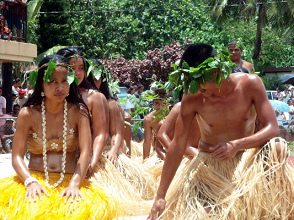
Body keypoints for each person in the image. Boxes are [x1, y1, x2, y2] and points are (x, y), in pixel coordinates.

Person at [148, 43, 294, 219]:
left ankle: (269, 205)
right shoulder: (192, 98)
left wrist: (236, 145)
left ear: (215, 70)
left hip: (247, 161)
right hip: (211, 165)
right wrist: (160, 196)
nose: (196, 89)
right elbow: (178, 145)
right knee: (205, 214)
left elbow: (272, 129)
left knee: (278, 146)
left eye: (199, 83)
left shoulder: (250, 84)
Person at [0, 54, 119, 219]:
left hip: (71, 180)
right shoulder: (27, 114)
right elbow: (17, 157)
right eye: (53, 81)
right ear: (41, 83)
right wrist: (29, 181)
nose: (60, 87)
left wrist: (75, 184)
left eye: (64, 81)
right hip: (33, 180)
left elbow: (86, 152)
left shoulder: (79, 112)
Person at [56, 48, 110, 178]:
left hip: (87, 162)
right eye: (72, 68)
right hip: (57, 162)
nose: (77, 73)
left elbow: (101, 134)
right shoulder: (53, 95)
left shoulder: (94, 97)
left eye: (81, 68)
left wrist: (92, 162)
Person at [143, 89, 167, 160]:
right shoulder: (149, 119)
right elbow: (147, 142)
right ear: (153, 104)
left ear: (167, 104)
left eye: (162, 104)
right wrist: (145, 161)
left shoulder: (173, 115)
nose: (160, 107)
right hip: (159, 150)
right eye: (157, 103)